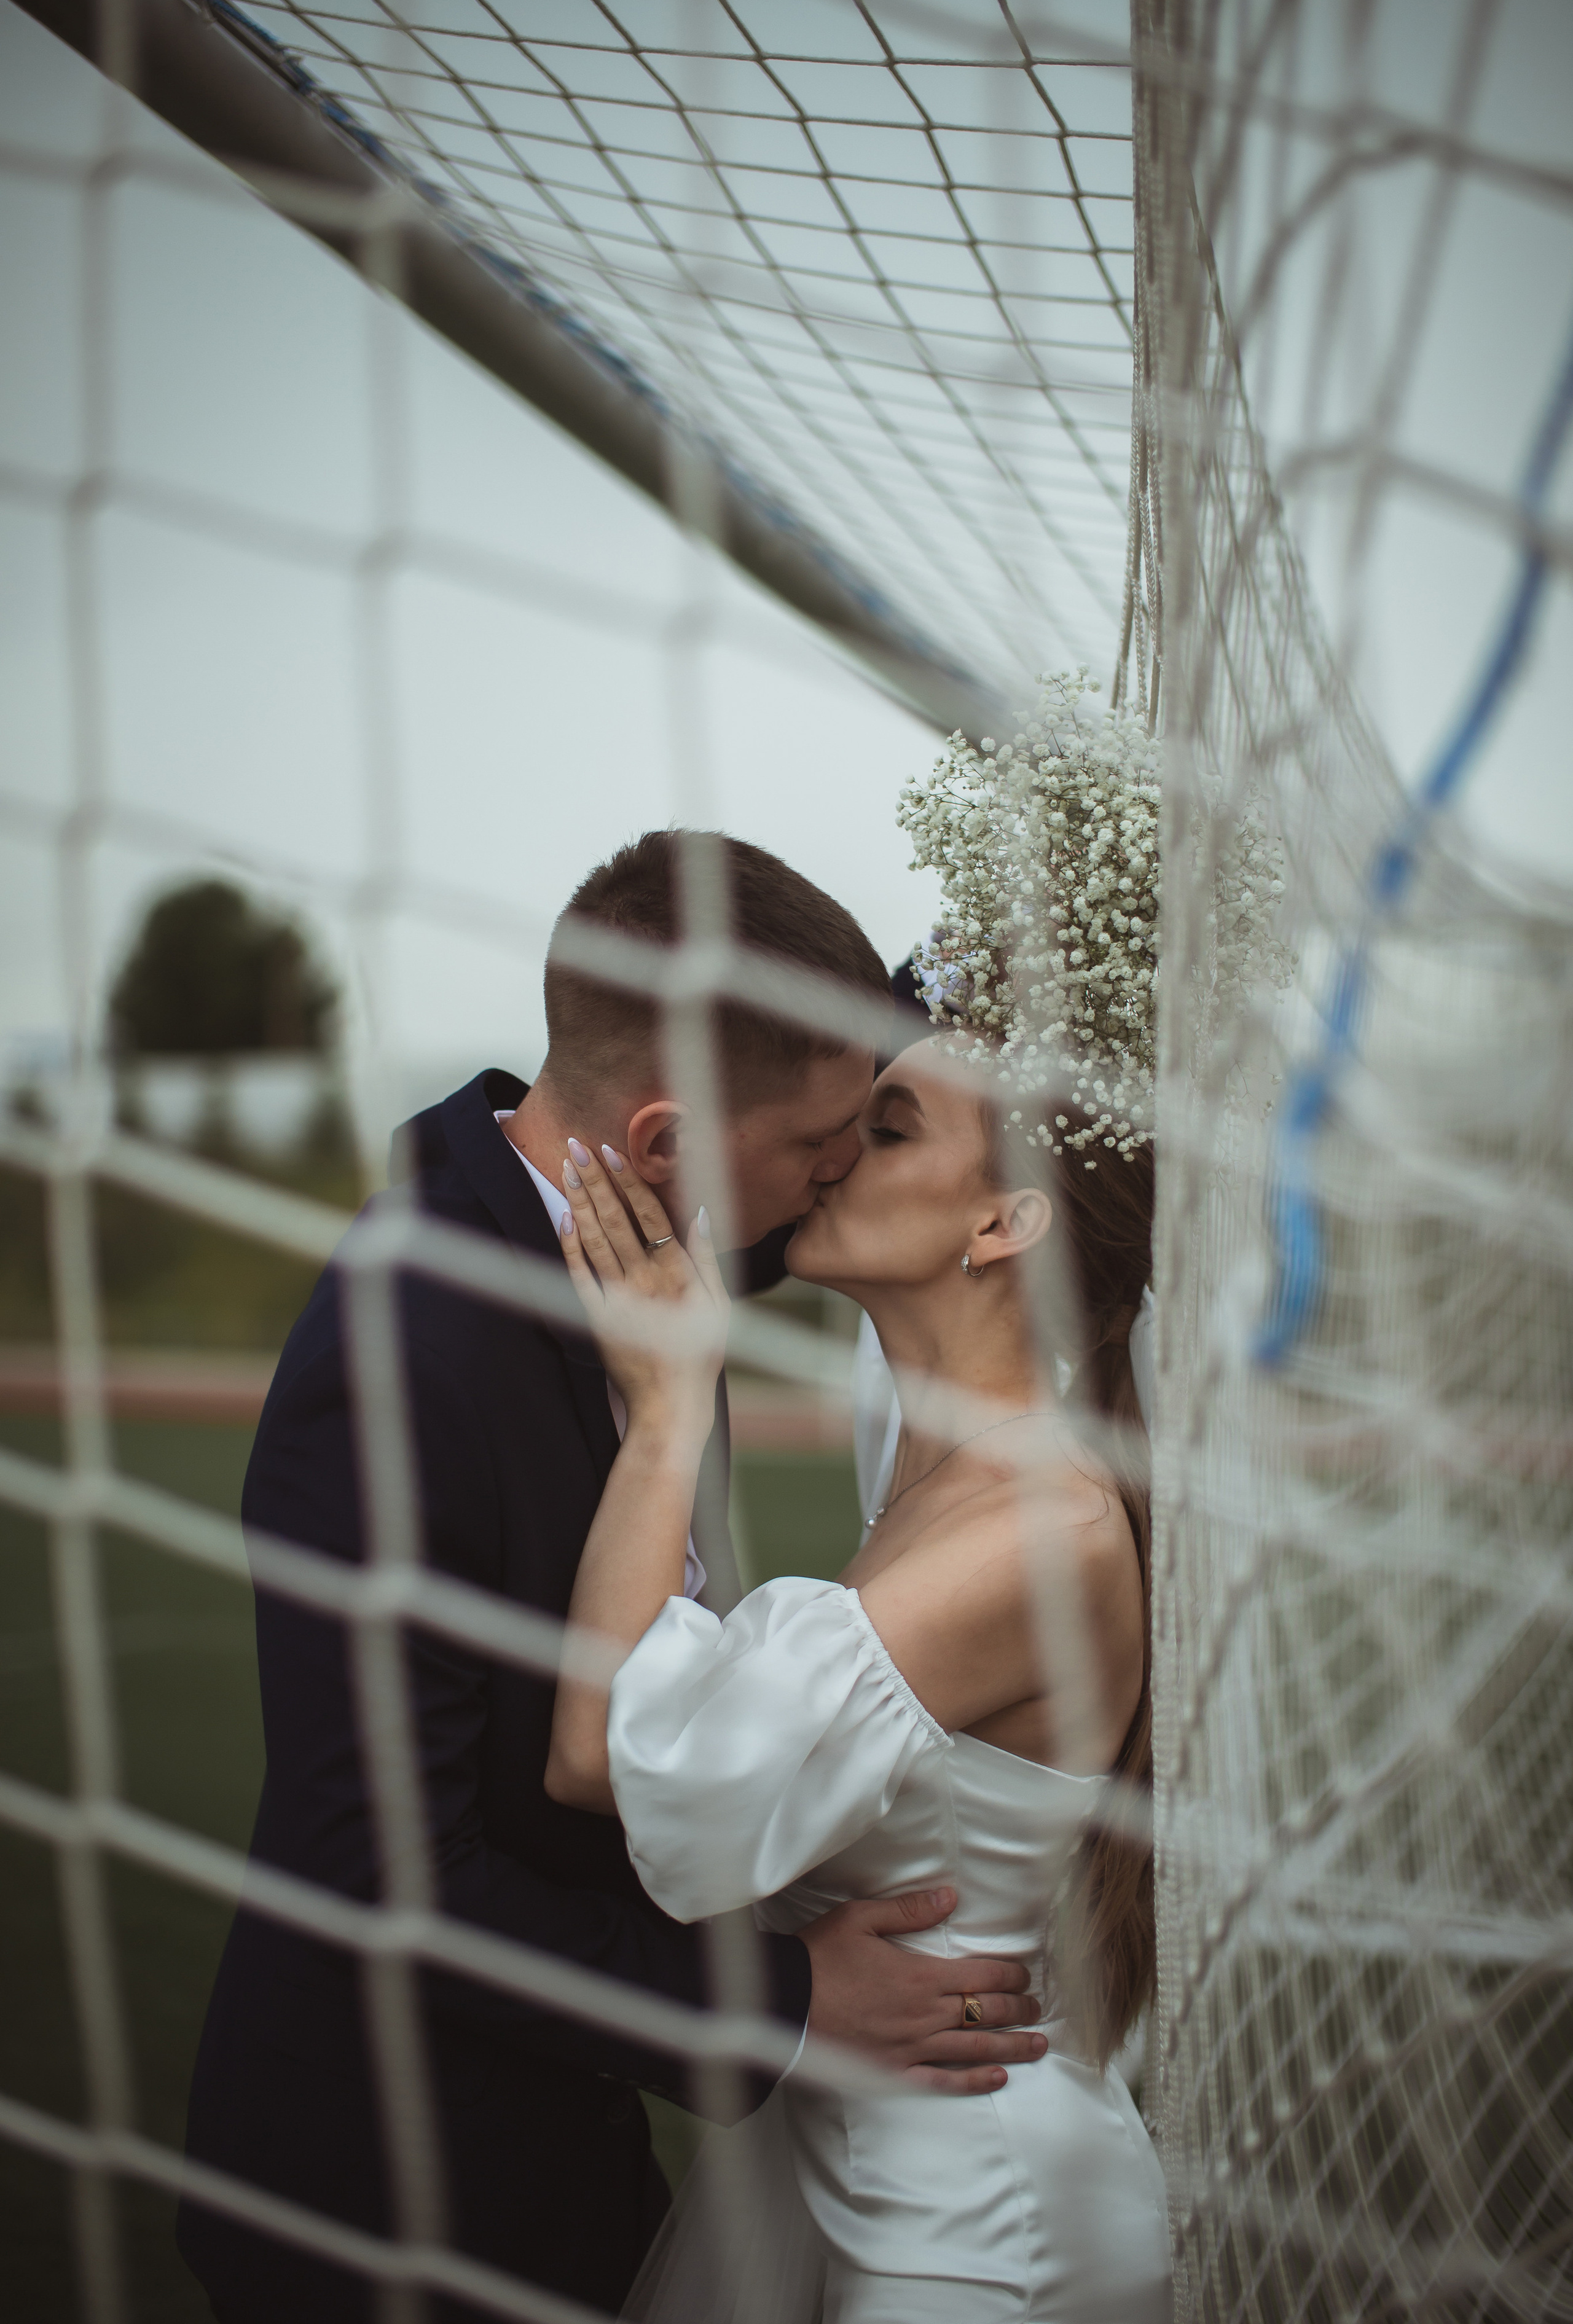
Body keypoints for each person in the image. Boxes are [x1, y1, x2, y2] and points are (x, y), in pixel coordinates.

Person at [176, 832, 1046, 2324]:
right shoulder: (408, 1345)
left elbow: (887, 1151)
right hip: (392, 2192)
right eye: (822, 1139)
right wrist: (788, 2004)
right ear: (661, 1145)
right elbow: (385, 1873)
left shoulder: (666, 1220)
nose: (840, 1167)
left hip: (573, 2154)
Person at [546, 1036, 1173, 2323]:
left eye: (888, 1131)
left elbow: (602, 1751)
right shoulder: (935, 1471)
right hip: (858, 2155)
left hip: (979, 2224)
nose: (833, 1157)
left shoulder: (1037, 1532)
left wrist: (666, 1412)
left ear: (1002, 1223)